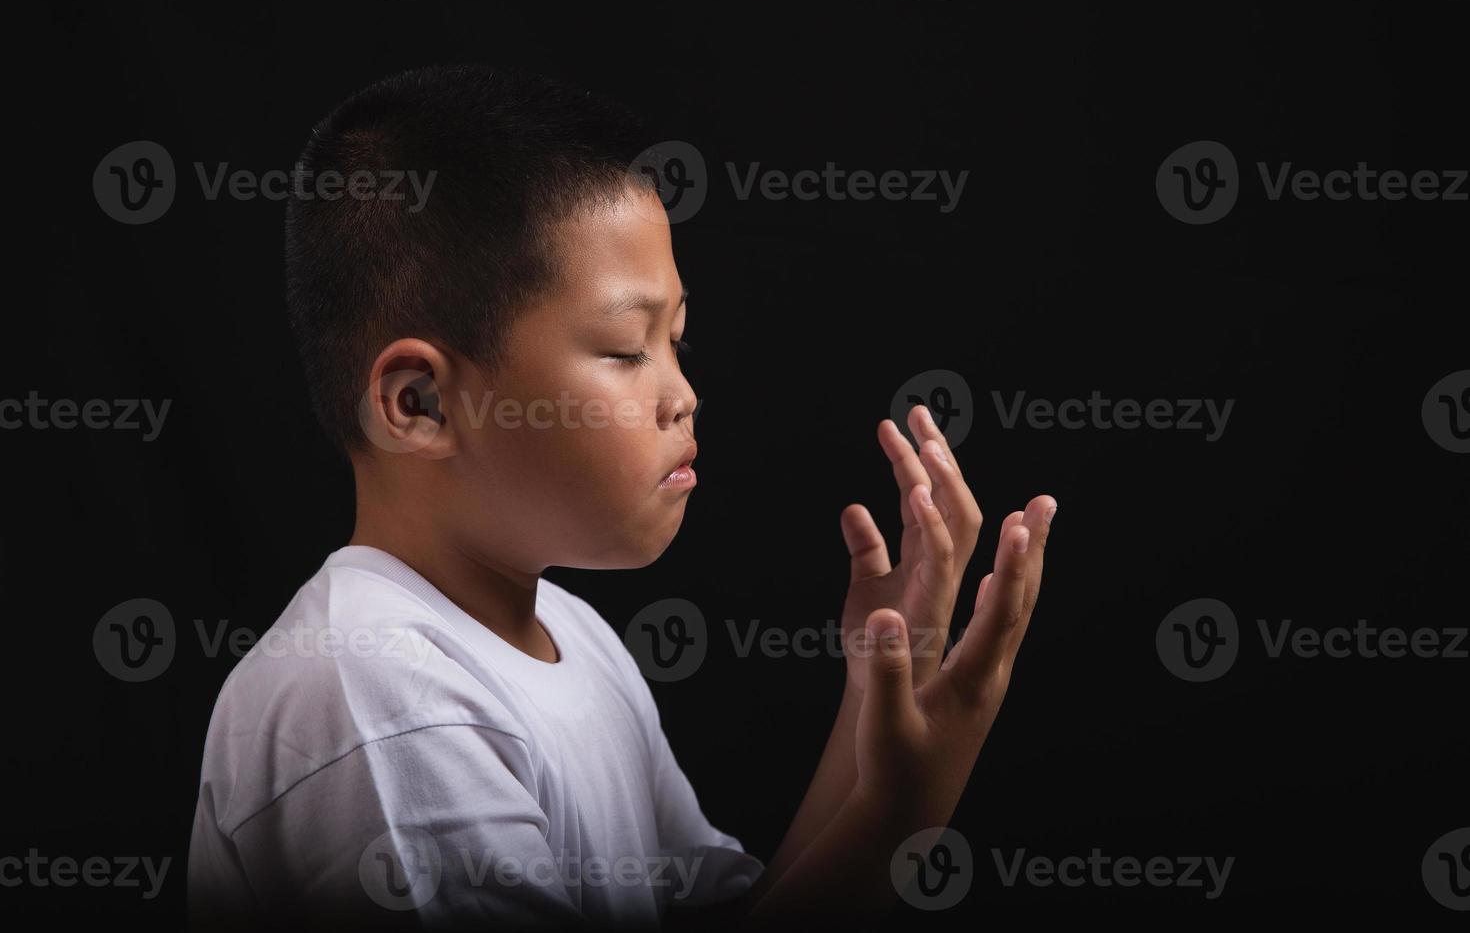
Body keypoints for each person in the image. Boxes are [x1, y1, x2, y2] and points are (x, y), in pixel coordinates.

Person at [185, 62, 1057, 931]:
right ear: (421, 403)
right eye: (625, 348)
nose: (683, 393)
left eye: (676, 340)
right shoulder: (376, 698)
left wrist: (877, 701)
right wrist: (902, 815)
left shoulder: (573, 634)